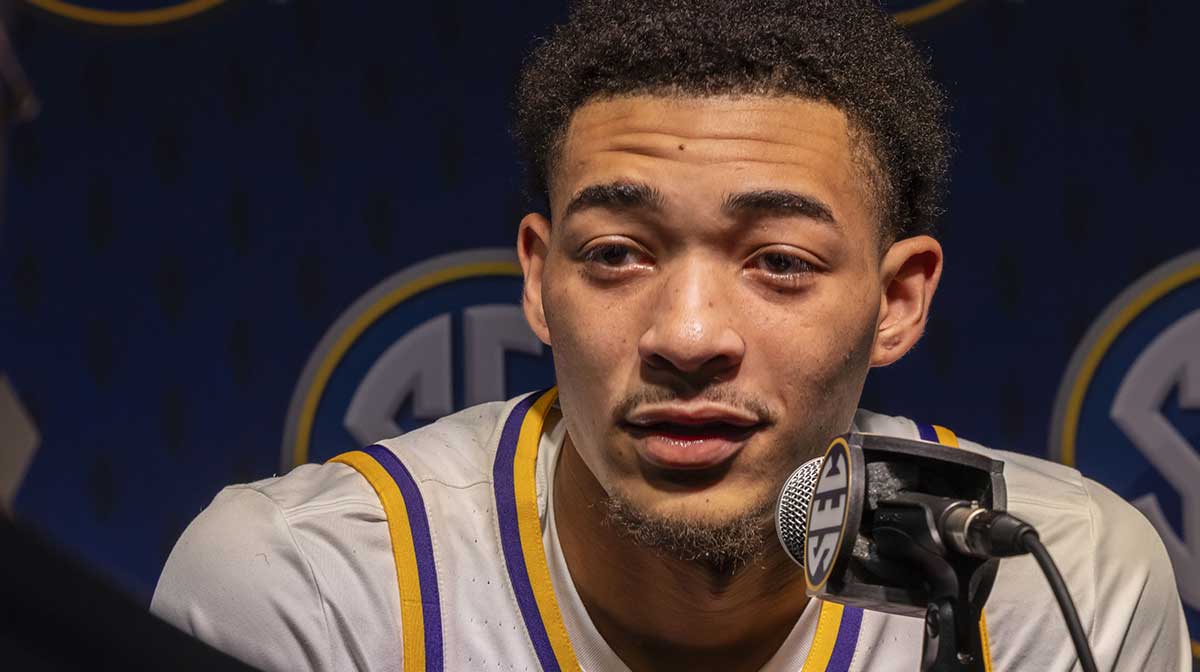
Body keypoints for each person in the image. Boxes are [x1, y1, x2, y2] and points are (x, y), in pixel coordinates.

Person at [151, 1, 1190, 670]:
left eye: (779, 261)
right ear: (540, 279)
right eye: (616, 255)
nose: (688, 336)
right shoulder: (317, 591)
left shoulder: (1061, 589)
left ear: (901, 299)